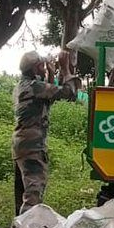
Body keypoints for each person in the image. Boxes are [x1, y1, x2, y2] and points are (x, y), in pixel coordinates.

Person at [12, 50, 81, 215]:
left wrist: (50, 73)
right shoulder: (35, 87)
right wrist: (65, 69)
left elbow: (48, 98)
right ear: (36, 69)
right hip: (33, 147)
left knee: (23, 194)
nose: (44, 68)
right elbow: (69, 94)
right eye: (42, 66)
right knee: (33, 196)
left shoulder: (23, 86)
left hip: (22, 144)